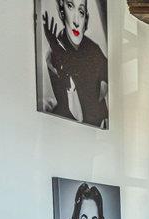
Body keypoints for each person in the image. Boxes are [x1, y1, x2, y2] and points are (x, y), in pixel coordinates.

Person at [42, 0, 109, 128]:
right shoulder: (53, 56)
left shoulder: (92, 48)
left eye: (81, 11)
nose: (76, 21)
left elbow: (105, 83)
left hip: (99, 125)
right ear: (62, 12)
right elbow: (75, 114)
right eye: (70, 6)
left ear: (86, 19)